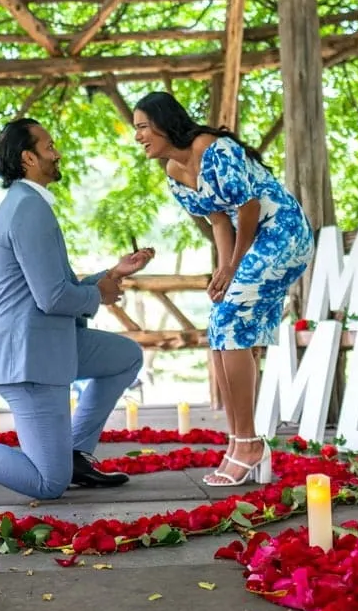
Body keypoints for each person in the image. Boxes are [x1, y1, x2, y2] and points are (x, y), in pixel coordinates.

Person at [0, 117, 155, 500]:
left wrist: (113, 273)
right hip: (29, 358)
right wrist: (97, 294)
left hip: (50, 342)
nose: (57, 153)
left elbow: (53, 289)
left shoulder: (30, 204)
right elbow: (52, 299)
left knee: (124, 356)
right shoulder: (27, 209)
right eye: (49, 147)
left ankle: (75, 453)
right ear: (27, 159)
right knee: (47, 483)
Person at [131, 92, 312, 486]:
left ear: (164, 122)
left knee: (230, 320)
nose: (138, 136)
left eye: (143, 126)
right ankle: (240, 441)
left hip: (283, 232)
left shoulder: (214, 149)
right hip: (248, 242)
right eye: (136, 129)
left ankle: (248, 443)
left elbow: (246, 209)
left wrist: (233, 267)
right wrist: (221, 271)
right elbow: (218, 222)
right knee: (221, 324)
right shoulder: (174, 172)